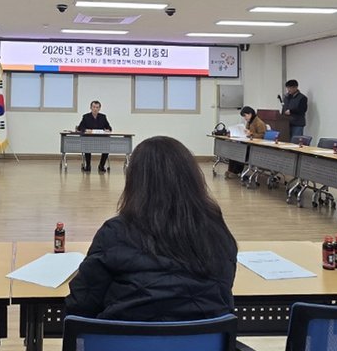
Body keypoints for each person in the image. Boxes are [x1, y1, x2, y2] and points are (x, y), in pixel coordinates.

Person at [68, 135, 237, 320]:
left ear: (134, 181)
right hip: (204, 339)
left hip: (122, 338)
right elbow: (223, 293)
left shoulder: (115, 233)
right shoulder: (216, 232)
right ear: (192, 179)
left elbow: (81, 305)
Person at [226, 105, 267, 179]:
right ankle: (230, 170)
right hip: (248, 144)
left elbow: (262, 136)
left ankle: (236, 172)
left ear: (250, 114)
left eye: (245, 116)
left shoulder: (259, 123)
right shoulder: (249, 122)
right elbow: (246, 133)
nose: (245, 118)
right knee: (234, 151)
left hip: (255, 147)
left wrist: (251, 134)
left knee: (240, 152)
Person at [76, 100, 112, 172]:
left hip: (101, 140)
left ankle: (101, 165)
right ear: (91, 108)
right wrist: (86, 130)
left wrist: (107, 130)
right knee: (87, 147)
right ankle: (88, 166)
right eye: (94, 107)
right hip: (89, 139)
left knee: (106, 148)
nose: (95, 109)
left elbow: (109, 128)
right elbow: (80, 128)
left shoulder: (103, 117)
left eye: (97, 107)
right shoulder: (86, 117)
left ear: (99, 109)